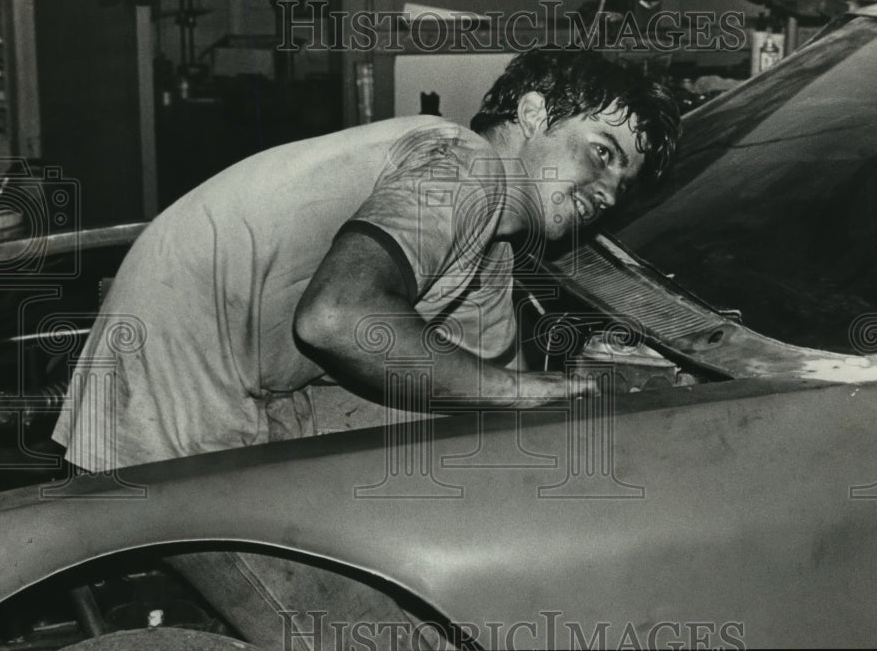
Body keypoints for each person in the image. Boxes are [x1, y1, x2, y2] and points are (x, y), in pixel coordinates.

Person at [50, 48, 680, 649]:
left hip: (238, 400)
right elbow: (337, 316)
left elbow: (478, 415)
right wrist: (533, 391)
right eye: (602, 152)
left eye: (623, 183)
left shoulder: (488, 253)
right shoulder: (465, 165)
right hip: (173, 430)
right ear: (536, 114)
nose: (607, 192)